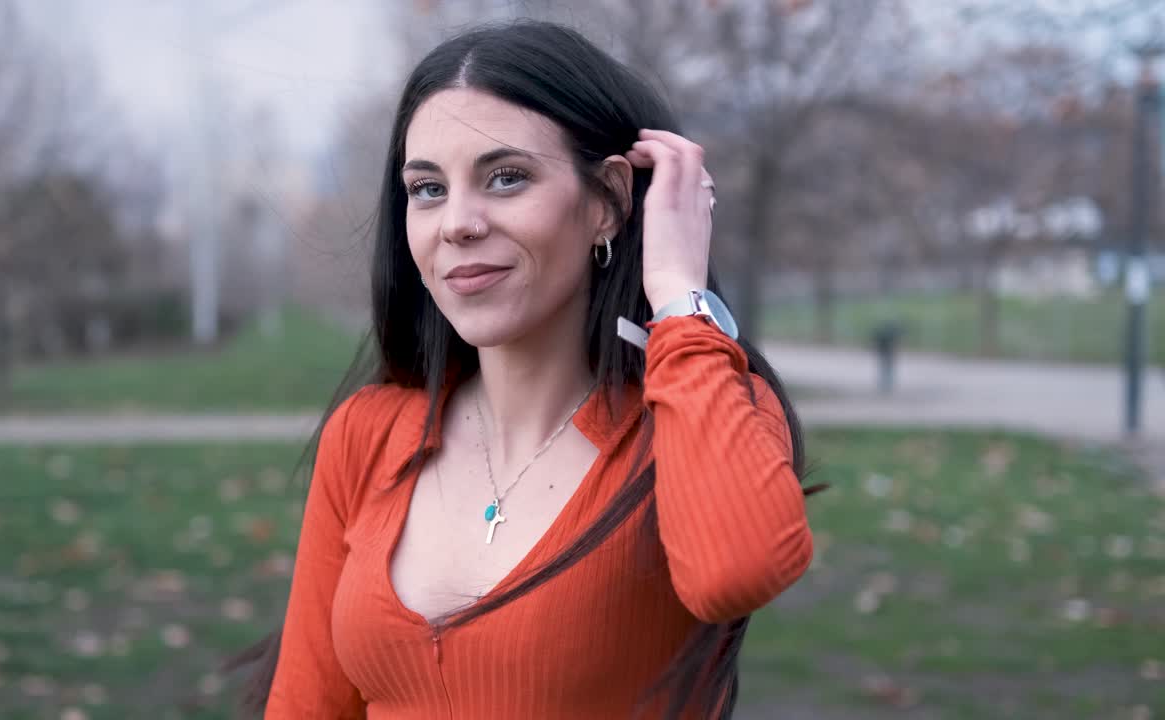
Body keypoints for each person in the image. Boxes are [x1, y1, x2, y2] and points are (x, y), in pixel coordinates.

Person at [232, 18, 824, 720]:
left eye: (505, 178)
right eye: (427, 189)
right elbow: (305, 706)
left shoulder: (702, 413)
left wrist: (678, 298)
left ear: (607, 200)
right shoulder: (368, 437)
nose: (457, 223)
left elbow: (738, 570)